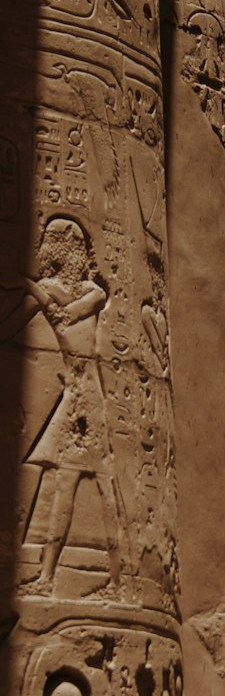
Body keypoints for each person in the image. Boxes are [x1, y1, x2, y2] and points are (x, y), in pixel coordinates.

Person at [2, 216, 123, 590]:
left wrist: (27, 285)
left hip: (88, 398)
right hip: (75, 395)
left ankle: (120, 577)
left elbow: (69, 313)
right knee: (64, 483)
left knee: (102, 488)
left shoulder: (92, 292)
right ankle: (49, 575)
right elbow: (9, 327)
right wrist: (32, 290)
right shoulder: (50, 290)